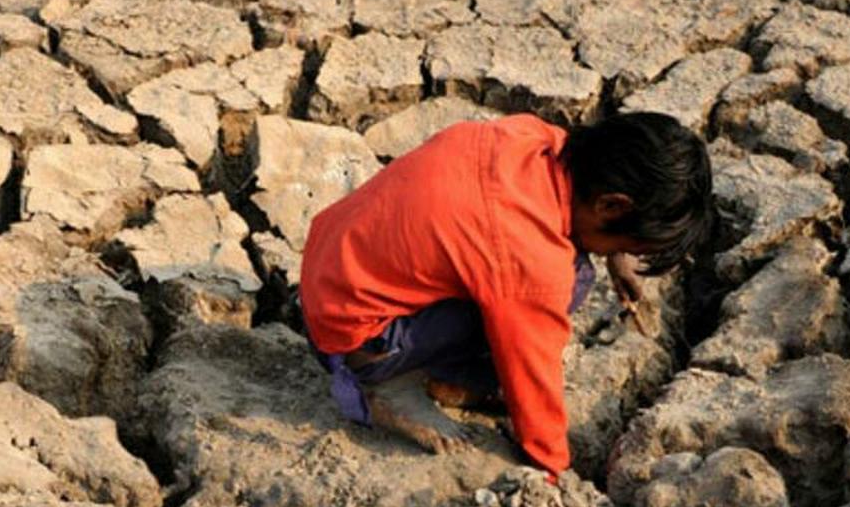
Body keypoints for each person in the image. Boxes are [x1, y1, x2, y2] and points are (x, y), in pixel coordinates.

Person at [296, 110, 716, 477]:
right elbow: (531, 369)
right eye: (625, 244)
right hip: (358, 335)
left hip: (327, 274)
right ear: (611, 206)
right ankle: (386, 383)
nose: (620, 254)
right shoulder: (530, 255)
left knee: (568, 271)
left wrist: (614, 256)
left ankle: (432, 370)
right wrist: (552, 469)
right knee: (564, 285)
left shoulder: (533, 138)